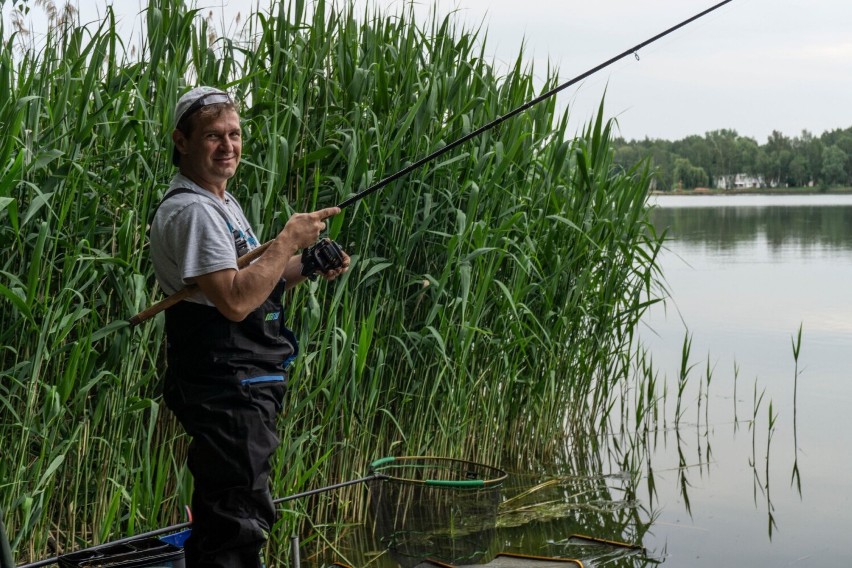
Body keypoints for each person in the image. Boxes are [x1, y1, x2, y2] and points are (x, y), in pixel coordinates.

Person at [149, 86, 349, 567]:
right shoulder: (192, 211)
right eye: (213, 136)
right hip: (225, 384)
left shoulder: (222, 203)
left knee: (237, 505)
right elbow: (236, 302)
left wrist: (308, 262)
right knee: (236, 516)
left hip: (244, 381)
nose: (228, 146)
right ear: (182, 141)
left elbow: (257, 280)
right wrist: (285, 239)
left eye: (234, 135)